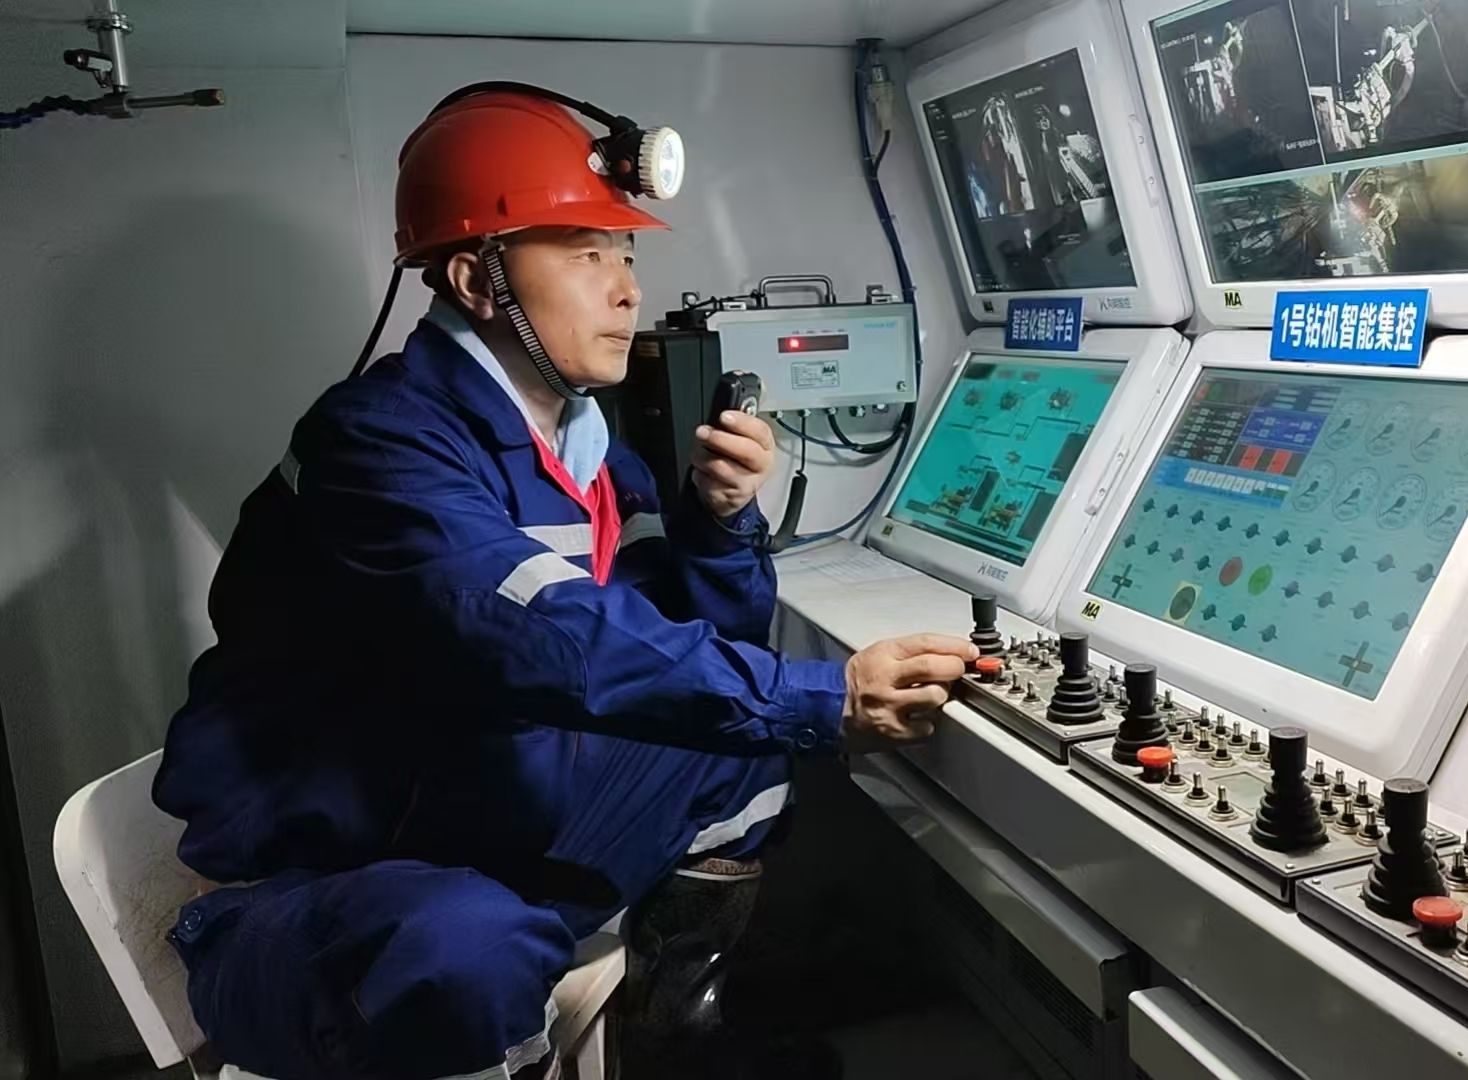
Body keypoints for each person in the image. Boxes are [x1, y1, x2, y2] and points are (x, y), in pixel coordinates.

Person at [150, 88, 975, 1080]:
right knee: (472, 948)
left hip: (474, 822)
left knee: (739, 753)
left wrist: (721, 524)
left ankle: (669, 1043)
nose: (627, 289)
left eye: (626, 254)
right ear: (477, 279)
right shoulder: (379, 442)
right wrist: (824, 695)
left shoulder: (589, 452)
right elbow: (534, 634)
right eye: (587, 255)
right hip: (330, 889)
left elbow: (703, 650)